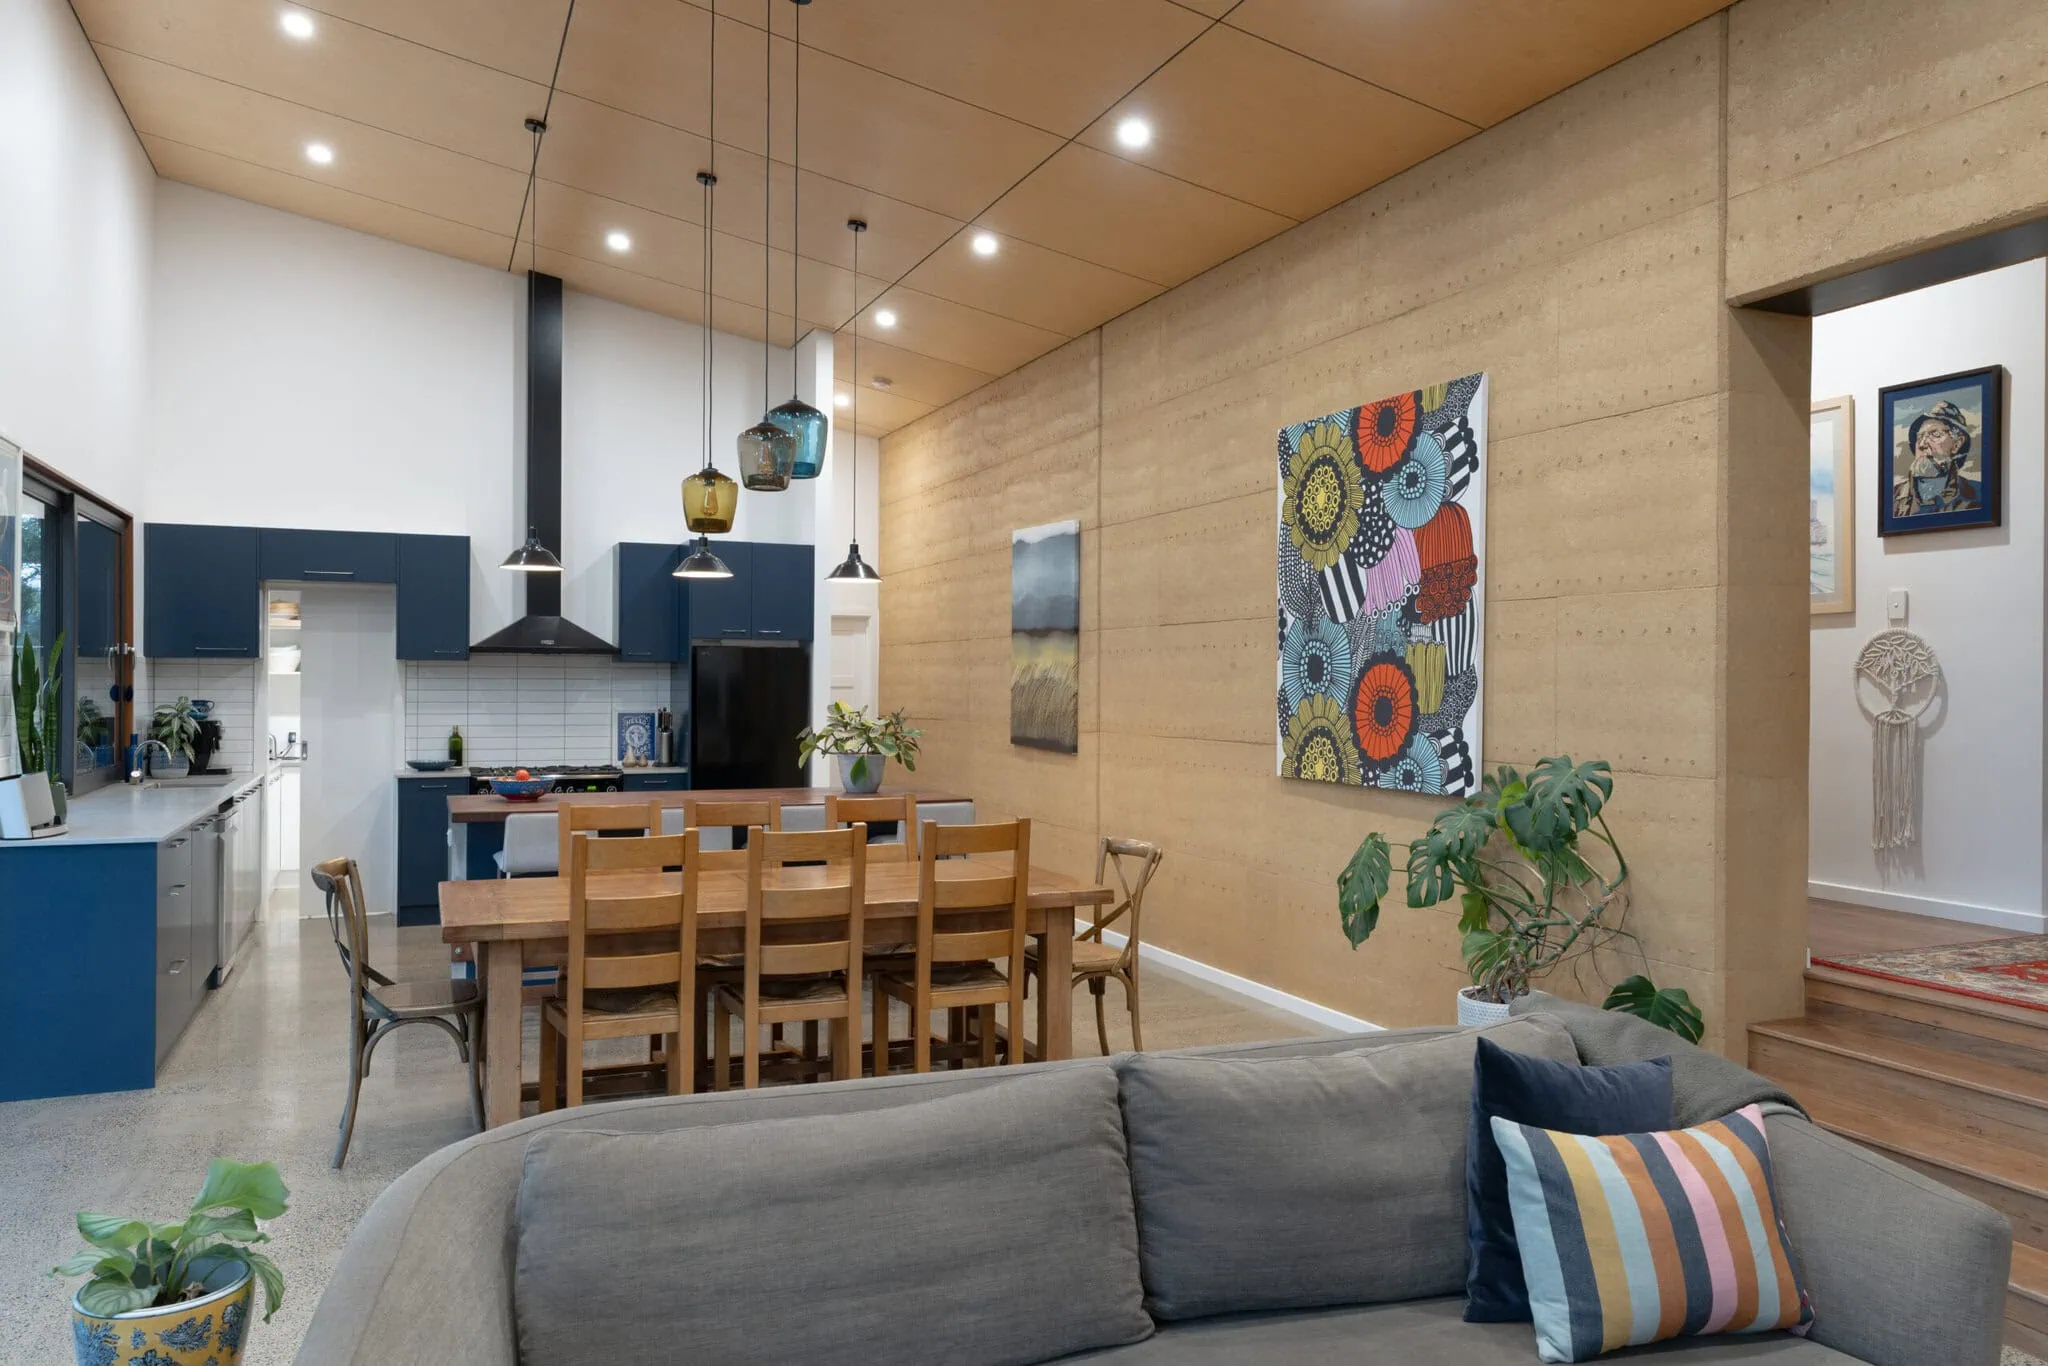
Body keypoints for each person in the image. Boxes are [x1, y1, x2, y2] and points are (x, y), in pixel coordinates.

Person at [1892, 398, 1980, 518]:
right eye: (1919, 436)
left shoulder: (1976, 494)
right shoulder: (1892, 497)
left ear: (1956, 444)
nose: (1922, 444)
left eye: (1935, 435)